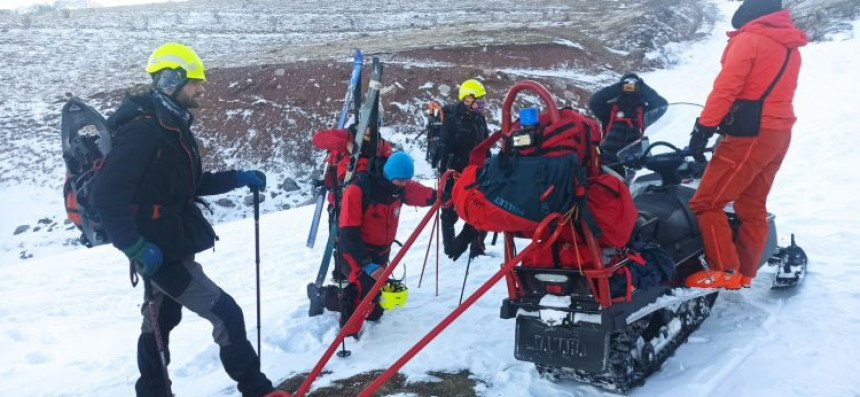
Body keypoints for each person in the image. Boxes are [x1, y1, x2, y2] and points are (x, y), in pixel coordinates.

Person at [92, 43, 288, 397]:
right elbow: (107, 196)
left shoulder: (171, 126)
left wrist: (239, 177)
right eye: (195, 81)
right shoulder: (144, 131)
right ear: (170, 81)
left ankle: (152, 391)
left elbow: (188, 184)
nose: (202, 88)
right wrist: (135, 247)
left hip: (170, 243)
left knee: (161, 320)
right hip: (157, 250)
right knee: (226, 313)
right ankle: (257, 390)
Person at [685, 0, 807, 289]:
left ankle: (725, 271)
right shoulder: (789, 44)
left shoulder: (750, 40)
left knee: (707, 202)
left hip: (750, 135)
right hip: (779, 133)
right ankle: (743, 273)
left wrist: (703, 128)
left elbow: (726, 89)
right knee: (751, 205)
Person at [322, 152, 436, 336]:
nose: (404, 184)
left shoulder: (398, 188)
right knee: (364, 291)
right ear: (390, 175)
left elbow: (421, 194)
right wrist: (366, 264)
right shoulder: (358, 190)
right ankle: (328, 305)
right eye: (400, 180)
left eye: (407, 180)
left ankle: (350, 300)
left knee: (374, 312)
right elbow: (348, 233)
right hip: (354, 253)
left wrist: (443, 196)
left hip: (380, 255)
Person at [438, 79, 490, 260]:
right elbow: (443, 148)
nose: (482, 104)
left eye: (483, 100)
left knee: (480, 208)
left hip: (476, 172)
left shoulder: (480, 119)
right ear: (467, 99)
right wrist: (445, 174)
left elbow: (486, 144)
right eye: (479, 100)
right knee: (449, 210)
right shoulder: (452, 120)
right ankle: (450, 247)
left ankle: (477, 247)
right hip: (454, 173)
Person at [588, 73, 668, 175]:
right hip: (607, 158)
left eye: (634, 85)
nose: (630, 87)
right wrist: (618, 87)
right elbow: (594, 101)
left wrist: (643, 87)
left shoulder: (643, 113)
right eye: (626, 85)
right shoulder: (609, 111)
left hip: (633, 160)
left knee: (629, 188)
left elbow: (662, 105)